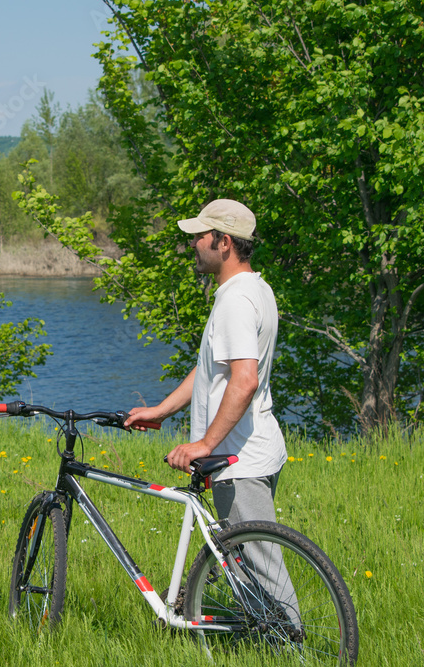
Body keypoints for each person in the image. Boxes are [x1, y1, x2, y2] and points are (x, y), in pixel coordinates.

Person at [124, 198, 297, 624]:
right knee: (244, 562)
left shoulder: (236, 302)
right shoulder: (254, 289)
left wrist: (204, 443)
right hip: (255, 450)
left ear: (223, 242)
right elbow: (210, 369)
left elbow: (243, 380)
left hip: (239, 460)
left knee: (265, 571)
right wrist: (162, 410)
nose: (193, 245)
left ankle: (295, 644)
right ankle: (259, 635)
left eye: (200, 236)